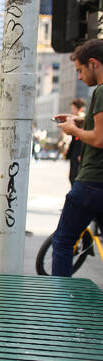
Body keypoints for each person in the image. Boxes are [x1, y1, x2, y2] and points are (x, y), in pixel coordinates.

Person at [52, 39, 103, 276]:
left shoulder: (101, 91)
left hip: (92, 182)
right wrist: (80, 121)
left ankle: (59, 307)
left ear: (93, 63)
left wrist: (73, 130)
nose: (80, 77)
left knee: (63, 242)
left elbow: (99, 139)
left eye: (80, 70)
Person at [61, 98, 86, 185]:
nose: (72, 111)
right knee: (72, 177)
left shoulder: (82, 119)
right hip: (75, 152)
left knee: (75, 178)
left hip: (79, 152)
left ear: (80, 109)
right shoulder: (75, 120)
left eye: (74, 109)